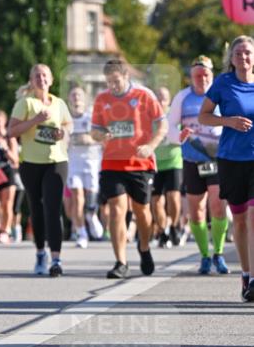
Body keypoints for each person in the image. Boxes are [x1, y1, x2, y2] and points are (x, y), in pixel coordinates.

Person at [91, 58, 166, 279]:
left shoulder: (144, 96)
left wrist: (151, 145)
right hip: (112, 163)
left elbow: (162, 123)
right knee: (116, 209)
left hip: (140, 163)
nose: (112, 86)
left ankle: (144, 247)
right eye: (108, 82)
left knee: (142, 211)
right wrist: (101, 136)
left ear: (126, 77)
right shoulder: (102, 99)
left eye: (116, 81)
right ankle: (121, 262)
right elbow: (94, 130)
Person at [198, 35, 254, 301]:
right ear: (231, 59)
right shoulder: (223, 83)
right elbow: (203, 115)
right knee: (240, 221)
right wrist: (229, 121)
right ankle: (246, 274)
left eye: (248, 53)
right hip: (231, 159)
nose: (244, 57)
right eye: (239, 53)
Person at [9, 63, 72, 277]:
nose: (41, 79)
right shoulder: (25, 103)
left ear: (51, 80)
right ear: (31, 80)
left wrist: (64, 132)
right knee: (36, 208)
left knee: (53, 209)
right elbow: (11, 131)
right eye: (37, 76)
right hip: (31, 163)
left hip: (57, 161)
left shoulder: (60, 103)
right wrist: (35, 121)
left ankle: (56, 259)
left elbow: (67, 125)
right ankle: (39, 252)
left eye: (45, 75)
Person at [167, 56, 229, 274]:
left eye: (206, 75)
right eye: (197, 76)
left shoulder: (221, 95)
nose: (202, 79)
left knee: (218, 204)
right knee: (196, 209)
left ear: (212, 76)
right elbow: (169, 128)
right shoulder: (182, 97)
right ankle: (204, 255)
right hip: (192, 160)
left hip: (218, 159)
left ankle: (219, 253)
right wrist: (180, 135)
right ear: (191, 77)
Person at [66, 86, 103, 248]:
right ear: (69, 99)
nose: (76, 98)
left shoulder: (92, 117)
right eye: (73, 95)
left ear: (84, 99)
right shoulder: (65, 119)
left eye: (79, 95)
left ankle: (91, 215)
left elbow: (103, 138)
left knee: (90, 199)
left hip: (92, 162)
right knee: (77, 198)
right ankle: (81, 233)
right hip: (73, 163)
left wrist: (90, 140)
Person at [151, 85, 184, 249]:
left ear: (169, 100)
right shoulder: (149, 114)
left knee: (173, 197)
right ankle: (162, 231)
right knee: (156, 201)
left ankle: (174, 226)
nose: (161, 100)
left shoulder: (175, 113)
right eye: (158, 96)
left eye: (164, 97)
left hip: (173, 161)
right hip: (155, 163)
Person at [0, 109, 20, 243]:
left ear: (4, 122)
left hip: (7, 172)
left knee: (7, 204)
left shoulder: (10, 136)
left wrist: (5, 147)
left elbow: (16, 161)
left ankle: (5, 230)